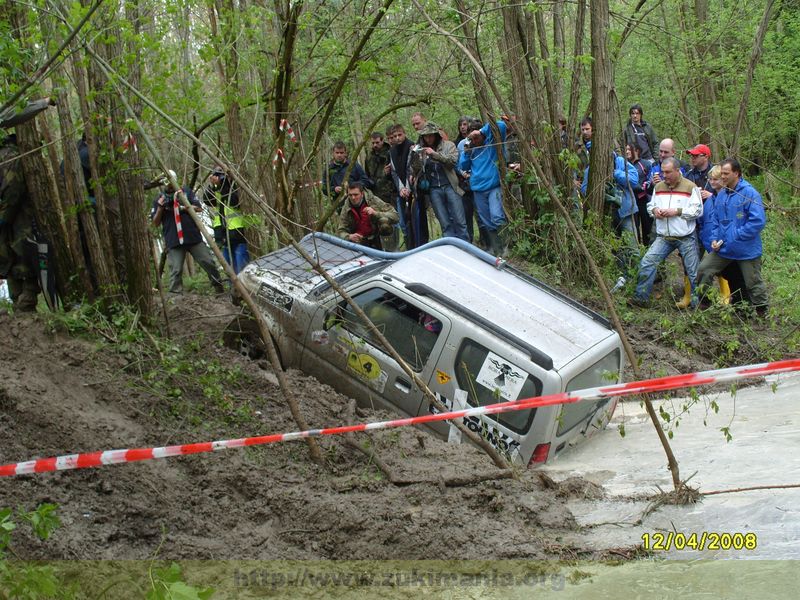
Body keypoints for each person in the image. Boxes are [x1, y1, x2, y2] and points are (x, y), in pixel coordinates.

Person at [0, 98, 54, 312]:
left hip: (15, 210)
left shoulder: (9, 156)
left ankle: (29, 294)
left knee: (22, 244)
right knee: (5, 251)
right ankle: (17, 299)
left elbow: (14, 113)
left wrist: (43, 102)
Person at [696, 158, 768, 315]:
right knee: (703, 270)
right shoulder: (722, 195)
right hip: (724, 247)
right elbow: (716, 220)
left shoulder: (749, 193)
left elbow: (758, 221)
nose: (723, 177)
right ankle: (705, 303)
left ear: (736, 173)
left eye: (726, 173)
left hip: (746, 248)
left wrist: (737, 234)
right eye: (721, 173)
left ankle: (762, 311)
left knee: (753, 282)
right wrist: (714, 238)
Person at [630, 158, 702, 308]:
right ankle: (640, 298)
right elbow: (651, 205)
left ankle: (697, 304)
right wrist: (655, 211)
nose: (664, 175)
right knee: (647, 263)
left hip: (685, 237)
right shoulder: (659, 187)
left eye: (668, 172)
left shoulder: (690, 187)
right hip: (663, 236)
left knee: (693, 272)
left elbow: (697, 210)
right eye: (663, 172)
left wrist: (676, 211)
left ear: (677, 171)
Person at [151, 170, 224, 294]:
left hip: (192, 236)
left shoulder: (185, 192)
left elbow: (199, 207)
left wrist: (184, 206)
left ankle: (219, 288)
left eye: (171, 183)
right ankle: (176, 296)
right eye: (167, 184)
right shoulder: (159, 199)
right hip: (173, 240)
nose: (169, 186)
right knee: (176, 269)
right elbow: (155, 223)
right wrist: (160, 208)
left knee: (208, 261)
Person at [581, 150, 639, 290]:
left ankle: (636, 280)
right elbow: (584, 189)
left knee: (632, 247)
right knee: (615, 248)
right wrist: (601, 193)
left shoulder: (621, 162)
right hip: (607, 214)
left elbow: (634, 180)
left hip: (626, 211)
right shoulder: (591, 169)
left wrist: (615, 173)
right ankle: (621, 278)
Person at [459, 119, 510, 256]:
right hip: (478, 189)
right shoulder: (472, 148)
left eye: (476, 137)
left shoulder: (492, 142)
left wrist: (481, 131)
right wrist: (467, 152)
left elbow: (501, 125)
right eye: (472, 138)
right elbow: (463, 166)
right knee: (487, 222)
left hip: (493, 186)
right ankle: (498, 251)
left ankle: (507, 249)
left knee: (497, 216)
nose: (475, 140)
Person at [413, 122, 468, 240]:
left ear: (436, 135)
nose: (428, 138)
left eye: (431, 135)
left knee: (460, 221)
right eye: (425, 136)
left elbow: (452, 162)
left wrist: (434, 155)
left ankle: (466, 248)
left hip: (450, 186)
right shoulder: (422, 149)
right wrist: (415, 156)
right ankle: (451, 249)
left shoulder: (449, 145)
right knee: (445, 223)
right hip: (433, 189)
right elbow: (417, 170)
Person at [203, 167, 250, 273]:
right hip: (223, 235)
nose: (221, 179)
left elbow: (234, 201)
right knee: (230, 270)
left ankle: (244, 288)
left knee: (242, 268)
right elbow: (207, 200)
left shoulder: (235, 188)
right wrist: (212, 185)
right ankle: (233, 288)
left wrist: (225, 184)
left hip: (237, 233)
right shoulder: (216, 191)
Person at [389, 124, 428, 248]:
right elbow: (394, 171)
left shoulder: (412, 147)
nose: (397, 138)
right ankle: (410, 247)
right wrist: (401, 188)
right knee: (404, 222)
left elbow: (413, 168)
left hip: (414, 190)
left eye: (399, 135)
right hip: (401, 192)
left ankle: (421, 245)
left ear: (404, 133)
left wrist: (408, 187)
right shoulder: (392, 151)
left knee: (417, 220)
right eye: (394, 136)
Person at [337, 182, 399, 250]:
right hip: (359, 241)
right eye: (350, 195)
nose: (353, 198)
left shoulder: (373, 200)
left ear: (362, 194)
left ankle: (389, 249)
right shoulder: (346, 208)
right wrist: (349, 236)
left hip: (377, 236)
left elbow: (395, 216)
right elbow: (340, 231)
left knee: (384, 222)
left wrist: (376, 213)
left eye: (356, 194)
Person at [626, 143, 653, 245]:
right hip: (631, 200)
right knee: (634, 227)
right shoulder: (625, 164)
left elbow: (650, 180)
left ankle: (648, 249)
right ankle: (637, 250)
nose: (627, 151)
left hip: (644, 200)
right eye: (626, 149)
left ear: (636, 151)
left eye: (629, 149)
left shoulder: (646, 164)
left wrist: (644, 188)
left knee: (647, 227)